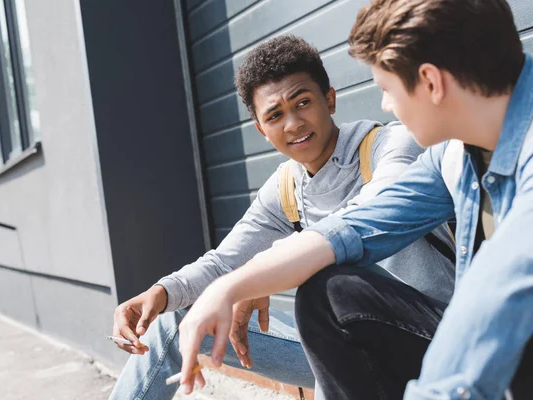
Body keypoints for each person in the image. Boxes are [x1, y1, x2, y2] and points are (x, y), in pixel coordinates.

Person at [177, 1, 533, 399]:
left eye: (386, 89)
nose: (384, 106)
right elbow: (353, 227)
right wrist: (230, 287)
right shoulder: (453, 156)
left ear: (431, 82)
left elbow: (497, 306)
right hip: (484, 341)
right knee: (331, 291)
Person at [108, 35, 455, 400]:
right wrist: (160, 292)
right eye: (274, 115)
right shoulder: (287, 187)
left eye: (303, 102)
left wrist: (256, 276)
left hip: (432, 337)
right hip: (346, 340)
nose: (292, 123)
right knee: (171, 319)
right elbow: (223, 261)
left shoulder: (390, 146)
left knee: (329, 286)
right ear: (261, 129)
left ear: (330, 99)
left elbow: (360, 223)